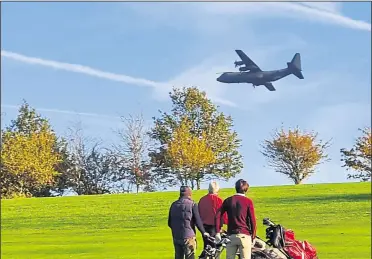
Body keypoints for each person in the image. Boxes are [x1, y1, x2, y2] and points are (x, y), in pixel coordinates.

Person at [215, 179, 257, 259]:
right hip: (244, 235)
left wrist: (217, 231)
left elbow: (218, 215)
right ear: (246, 189)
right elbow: (253, 221)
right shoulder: (248, 201)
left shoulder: (228, 200)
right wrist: (253, 236)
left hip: (231, 235)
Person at [168, 185, 210, 259]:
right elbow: (198, 221)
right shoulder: (192, 204)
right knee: (190, 256)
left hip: (176, 237)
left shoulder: (173, 205)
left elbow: (169, 223)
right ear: (190, 193)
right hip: (188, 236)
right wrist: (204, 232)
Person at [198, 180, 228, 259]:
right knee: (216, 249)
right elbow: (223, 216)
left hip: (204, 227)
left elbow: (199, 214)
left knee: (207, 247)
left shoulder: (202, 200)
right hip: (215, 227)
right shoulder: (219, 200)